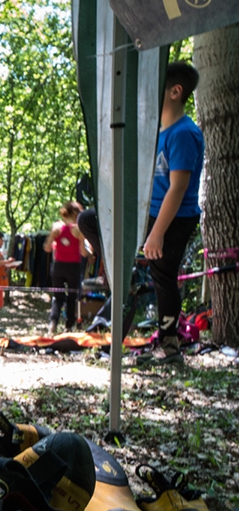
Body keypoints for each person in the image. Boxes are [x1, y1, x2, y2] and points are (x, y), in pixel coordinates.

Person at [139, 62, 205, 365]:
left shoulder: (184, 133)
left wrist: (156, 234)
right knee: (89, 221)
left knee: (164, 276)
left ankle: (169, 346)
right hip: (148, 212)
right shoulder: (157, 129)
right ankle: (128, 276)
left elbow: (178, 188)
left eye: (156, 88)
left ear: (175, 92)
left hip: (174, 219)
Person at [43, 201, 87, 335]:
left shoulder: (57, 227)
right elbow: (83, 252)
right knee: (72, 296)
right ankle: (69, 326)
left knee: (58, 296)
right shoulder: (79, 229)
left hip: (58, 266)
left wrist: (54, 239)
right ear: (76, 214)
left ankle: (53, 323)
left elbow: (47, 248)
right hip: (73, 266)